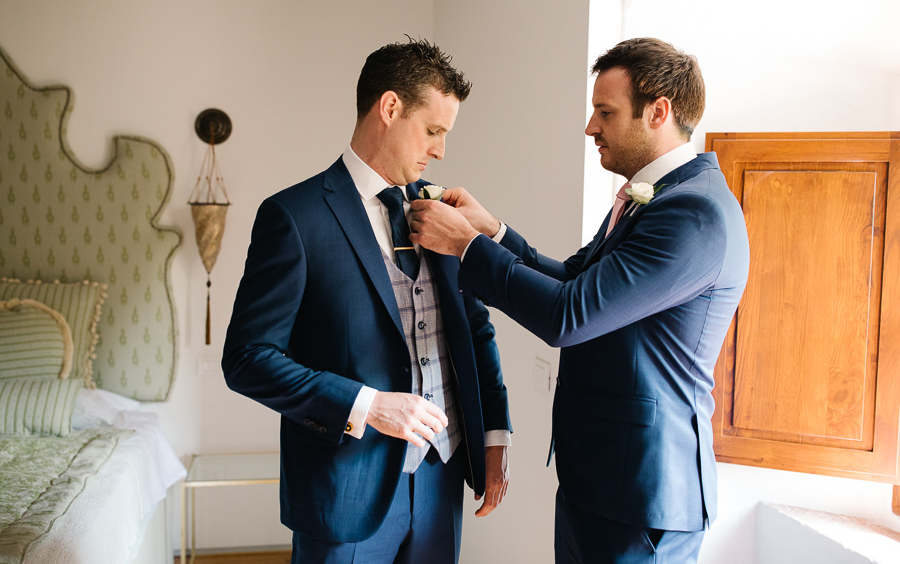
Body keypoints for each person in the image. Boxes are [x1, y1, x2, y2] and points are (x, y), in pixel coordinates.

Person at [409, 37, 750, 564]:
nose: (591, 126)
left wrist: (463, 245)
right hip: (598, 481)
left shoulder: (694, 214)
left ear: (658, 111)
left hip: (643, 497)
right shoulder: (652, 197)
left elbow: (569, 315)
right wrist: (493, 231)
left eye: (605, 112)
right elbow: (575, 279)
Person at [221, 37, 512, 564]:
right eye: (433, 131)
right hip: (343, 489)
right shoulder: (294, 216)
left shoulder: (441, 211)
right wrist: (368, 405)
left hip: (441, 476)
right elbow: (247, 360)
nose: (441, 150)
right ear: (390, 107)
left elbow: (476, 330)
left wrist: (495, 437)